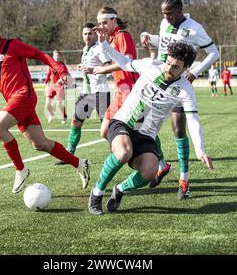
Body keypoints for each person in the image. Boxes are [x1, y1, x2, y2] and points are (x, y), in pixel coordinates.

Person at [88, 30, 213, 215]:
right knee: (123, 152)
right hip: (123, 123)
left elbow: (193, 120)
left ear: (185, 68)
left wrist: (200, 149)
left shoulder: (186, 91)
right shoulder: (151, 65)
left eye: (175, 67)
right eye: (168, 63)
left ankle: (119, 189)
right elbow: (124, 62)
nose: (169, 69)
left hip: (146, 135)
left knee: (150, 171)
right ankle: (97, 192)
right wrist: (105, 45)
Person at [0, 20, 91, 194]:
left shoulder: (13, 45)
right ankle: (80, 164)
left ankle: (21, 170)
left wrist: (60, 70)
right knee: (40, 144)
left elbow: (40, 55)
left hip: (24, 95)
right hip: (15, 101)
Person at [140, 0, 218, 189]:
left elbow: (214, 52)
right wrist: (149, 37)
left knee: (178, 129)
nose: (166, 17)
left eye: (170, 13)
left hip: (178, 84)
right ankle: (162, 165)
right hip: (158, 80)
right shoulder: (164, 23)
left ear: (180, 10)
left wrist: (195, 71)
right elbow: (164, 43)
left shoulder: (195, 28)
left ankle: (184, 178)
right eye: (163, 14)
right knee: (146, 127)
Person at [55, 22, 112, 165]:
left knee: (107, 128)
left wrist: (93, 70)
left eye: (90, 33)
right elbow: (89, 67)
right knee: (75, 121)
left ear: (95, 34)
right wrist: (83, 67)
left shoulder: (99, 48)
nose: (87, 36)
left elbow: (109, 67)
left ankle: (116, 152)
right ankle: (69, 154)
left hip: (100, 93)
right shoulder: (85, 48)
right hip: (86, 93)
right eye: (85, 34)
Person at [93, 7, 139, 140]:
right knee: (105, 131)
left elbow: (128, 61)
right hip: (121, 91)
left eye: (105, 22)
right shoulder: (112, 39)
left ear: (114, 19)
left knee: (139, 132)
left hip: (131, 91)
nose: (102, 26)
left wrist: (104, 70)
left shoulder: (122, 35)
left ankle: (155, 159)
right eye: (100, 24)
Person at [44, 50, 68, 124]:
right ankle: (51, 114)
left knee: (59, 104)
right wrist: (45, 82)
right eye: (55, 56)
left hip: (59, 87)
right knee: (47, 104)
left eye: (58, 55)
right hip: (52, 85)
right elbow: (49, 73)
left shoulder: (63, 66)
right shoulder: (51, 64)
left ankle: (64, 116)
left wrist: (62, 80)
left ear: (60, 57)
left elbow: (66, 76)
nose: (56, 57)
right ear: (53, 57)